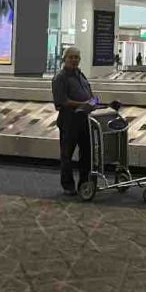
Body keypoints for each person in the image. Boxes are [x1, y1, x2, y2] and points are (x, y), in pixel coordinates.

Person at [51, 46, 95, 196]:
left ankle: (84, 183)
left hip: (84, 121)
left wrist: (94, 102)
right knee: (67, 155)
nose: (74, 60)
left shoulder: (80, 75)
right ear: (64, 59)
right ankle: (68, 185)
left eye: (76, 57)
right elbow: (61, 101)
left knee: (87, 154)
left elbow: (89, 95)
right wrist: (84, 104)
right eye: (71, 57)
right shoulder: (60, 78)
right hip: (69, 121)